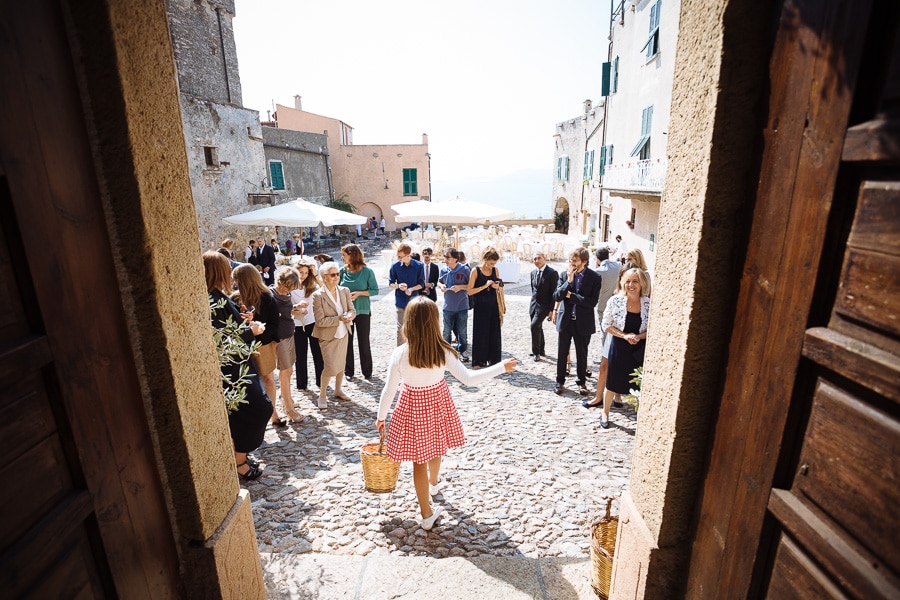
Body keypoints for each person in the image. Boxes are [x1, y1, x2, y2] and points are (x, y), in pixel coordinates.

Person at [375, 297, 517, 530]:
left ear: (408, 323)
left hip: (411, 408)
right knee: (436, 445)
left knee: (418, 462)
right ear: (435, 322)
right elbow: (469, 379)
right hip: (437, 405)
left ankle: (426, 511)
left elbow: (389, 390)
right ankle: (434, 484)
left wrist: (381, 417)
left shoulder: (400, 353)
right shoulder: (443, 351)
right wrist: (501, 367)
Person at [203, 251, 273, 480]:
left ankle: (238, 454)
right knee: (259, 408)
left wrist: (243, 321)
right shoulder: (212, 299)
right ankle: (239, 460)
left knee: (246, 411)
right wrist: (249, 331)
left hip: (239, 365)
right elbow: (221, 339)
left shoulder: (216, 296)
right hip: (233, 370)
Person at [230, 263, 287, 427]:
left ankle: (274, 413)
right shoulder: (234, 298)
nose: (235, 283)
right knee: (248, 383)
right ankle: (255, 417)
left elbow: (274, 324)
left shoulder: (267, 297)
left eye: (237, 279)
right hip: (243, 346)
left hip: (263, 346)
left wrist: (259, 332)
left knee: (268, 379)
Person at [600, 268, 650, 428]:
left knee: (639, 383)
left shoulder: (648, 304)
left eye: (635, 281)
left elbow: (654, 328)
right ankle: (605, 413)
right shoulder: (615, 301)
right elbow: (606, 325)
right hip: (620, 346)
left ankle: (640, 416)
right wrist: (625, 336)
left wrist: (638, 337)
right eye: (627, 281)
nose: (631, 285)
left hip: (639, 348)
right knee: (613, 381)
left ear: (642, 283)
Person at [552, 247, 601, 396]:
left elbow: (591, 302)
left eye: (575, 260)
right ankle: (560, 381)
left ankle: (582, 382)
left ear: (584, 262)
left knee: (582, 353)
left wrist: (571, 296)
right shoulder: (563, 275)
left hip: (583, 322)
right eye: (570, 260)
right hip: (566, 320)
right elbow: (557, 296)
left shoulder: (595, 277)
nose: (572, 263)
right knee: (562, 353)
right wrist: (568, 281)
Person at [311, 261, 356, 408]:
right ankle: (322, 395)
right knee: (330, 366)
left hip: (343, 333)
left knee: (341, 363)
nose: (337, 277)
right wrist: (340, 319)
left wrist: (349, 315)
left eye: (338, 274)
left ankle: (338, 390)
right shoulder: (318, 296)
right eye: (333, 274)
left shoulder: (344, 290)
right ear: (324, 277)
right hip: (328, 336)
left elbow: (352, 310)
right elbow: (320, 321)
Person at [584, 246, 622, 409]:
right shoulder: (618, 266)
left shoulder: (598, 271)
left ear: (597, 258)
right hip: (619, 313)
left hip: (604, 309)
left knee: (605, 339)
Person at [339, 244, 379, 381]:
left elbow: (375, 290)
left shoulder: (367, 271)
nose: (342, 257)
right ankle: (348, 371)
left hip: (362, 311)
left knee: (364, 342)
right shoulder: (342, 272)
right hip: (346, 312)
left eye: (344, 255)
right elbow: (336, 289)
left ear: (352, 255)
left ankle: (367, 371)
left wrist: (360, 293)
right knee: (347, 342)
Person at [270, 266, 305, 423]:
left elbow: (286, 311)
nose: (287, 291)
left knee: (289, 371)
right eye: (286, 287)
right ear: (280, 282)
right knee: (286, 370)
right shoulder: (271, 295)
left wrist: (296, 308)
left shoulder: (286, 294)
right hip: (279, 337)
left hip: (289, 333)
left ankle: (287, 398)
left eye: (290, 288)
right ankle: (288, 409)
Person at [467, 246, 504, 368]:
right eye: (491, 263)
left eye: (494, 263)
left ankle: (493, 360)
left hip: (493, 305)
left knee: (494, 332)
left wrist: (497, 286)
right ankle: (478, 360)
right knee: (480, 333)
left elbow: (499, 285)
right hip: (480, 307)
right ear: (485, 259)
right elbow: (470, 291)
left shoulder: (495, 270)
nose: (492, 266)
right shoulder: (475, 271)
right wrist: (484, 286)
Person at [291, 260, 324, 391]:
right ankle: (301, 384)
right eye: (301, 272)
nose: (303, 275)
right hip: (297, 324)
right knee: (300, 355)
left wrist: (315, 274)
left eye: (306, 272)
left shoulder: (312, 285)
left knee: (317, 353)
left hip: (312, 322)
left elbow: (325, 289)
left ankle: (321, 382)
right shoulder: (291, 287)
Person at [438, 248, 471, 362]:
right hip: (448, 306)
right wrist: (441, 286)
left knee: (462, 331)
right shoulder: (443, 270)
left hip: (462, 306)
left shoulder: (465, 270)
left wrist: (460, 287)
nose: (445, 259)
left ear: (455, 259)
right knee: (446, 331)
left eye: (448, 257)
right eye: (445, 257)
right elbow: (439, 281)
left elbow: (471, 286)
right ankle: (446, 352)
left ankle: (462, 351)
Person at [388, 242, 424, 345]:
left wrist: (411, 289)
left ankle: (415, 351)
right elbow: (391, 284)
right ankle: (400, 353)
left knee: (415, 328)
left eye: (400, 256)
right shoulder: (395, 266)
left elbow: (421, 284)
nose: (398, 258)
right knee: (400, 329)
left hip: (414, 301)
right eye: (398, 256)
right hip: (400, 300)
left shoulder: (419, 266)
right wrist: (398, 286)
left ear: (408, 255)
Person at [529, 251, 558, 362]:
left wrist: (552, 309)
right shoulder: (532, 273)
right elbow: (534, 290)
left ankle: (536, 352)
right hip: (534, 305)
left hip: (545, 305)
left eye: (539, 258)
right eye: (535, 259)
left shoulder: (551, 273)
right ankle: (541, 350)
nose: (537, 261)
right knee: (538, 327)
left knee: (534, 326)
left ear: (544, 258)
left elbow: (554, 292)